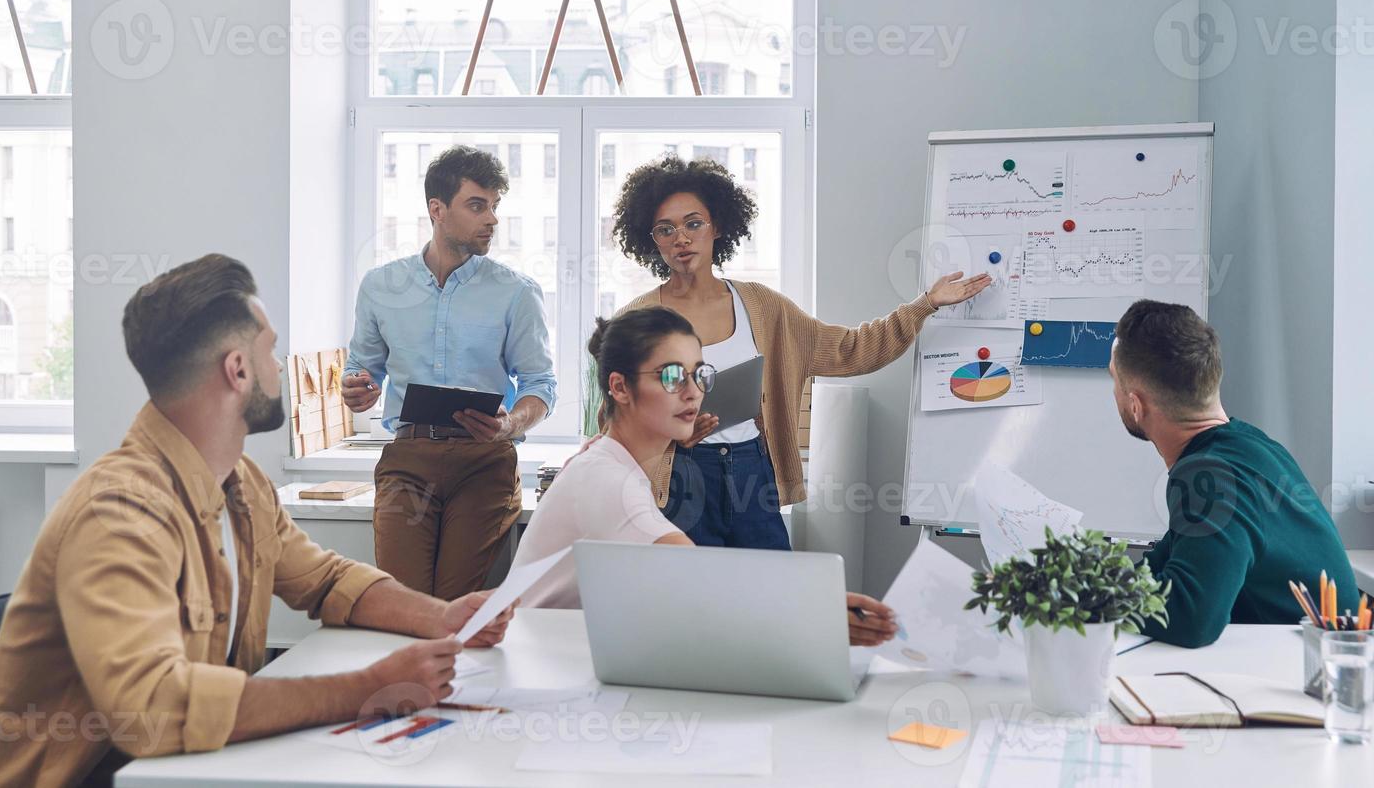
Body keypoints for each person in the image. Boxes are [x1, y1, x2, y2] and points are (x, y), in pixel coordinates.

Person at [0, 255, 516, 787]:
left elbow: (328, 579)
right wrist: (367, 687)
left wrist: (444, 618)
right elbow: (152, 711)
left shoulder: (240, 483)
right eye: (270, 348)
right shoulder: (118, 511)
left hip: (188, 771)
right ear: (238, 369)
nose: (279, 366)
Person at [610, 154, 991, 548]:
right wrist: (670, 439)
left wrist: (925, 304)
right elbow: (614, 430)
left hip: (750, 470)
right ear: (650, 239)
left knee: (770, 596)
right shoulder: (636, 320)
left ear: (718, 225)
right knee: (689, 599)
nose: (682, 238)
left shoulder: (762, 306)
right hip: (679, 479)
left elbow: (851, 350)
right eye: (665, 229)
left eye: (694, 223)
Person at [512, 308, 899, 647]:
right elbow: (701, 580)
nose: (693, 392)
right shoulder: (608, 481)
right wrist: (818, 610)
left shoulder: (610, 458)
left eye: (699, 375)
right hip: (537, 666)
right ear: (619, 387)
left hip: (563, 655)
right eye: (671, 376)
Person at [344, 145, 556, 600]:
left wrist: (510, 424)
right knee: (404, 603)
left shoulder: (516, 292)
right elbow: (362, 369)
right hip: (408, 460)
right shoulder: (381, 286)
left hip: (484, 463)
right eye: (478, 205)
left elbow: (540, 384)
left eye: (495, 206)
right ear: (436, 210)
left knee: (454, 604)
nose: (492, 219)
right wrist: (359, 389)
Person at [1109, 299, 1358, 648]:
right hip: (1305, 658)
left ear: (1136, 405)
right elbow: (1168, 560)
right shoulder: (1250, 445)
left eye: (1114, 382)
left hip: (1303, 674)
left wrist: (1093, 602)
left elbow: (1194, 619)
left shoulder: (1205, 475)